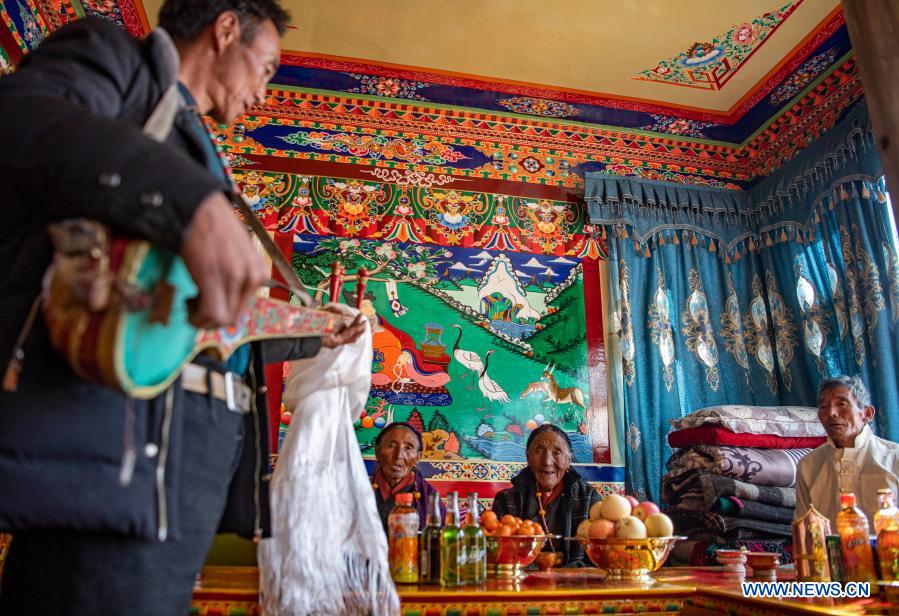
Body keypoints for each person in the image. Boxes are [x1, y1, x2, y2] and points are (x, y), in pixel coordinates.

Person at [0, 2, 364, 614]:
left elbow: (204, 329)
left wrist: (315, 334)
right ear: (225, 29)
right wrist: (190, 200)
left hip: (173, 481)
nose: (264, 95)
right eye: (267, 69)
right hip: (108, 466)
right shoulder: (120, 62)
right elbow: (17, 117)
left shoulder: (194, 143)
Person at [795, 375, 899, 527]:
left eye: (842, 404)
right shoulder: (808, 466)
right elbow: (803, 529)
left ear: (867, 413)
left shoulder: (894, 458)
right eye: (824, 407)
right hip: (828, 552)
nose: (831, 413)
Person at [492, 423, 600, 566]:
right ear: (528, 457)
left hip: (575, 585)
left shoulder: (589, 499)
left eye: (557, 452)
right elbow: (498, 556)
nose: (547, 461)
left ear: (568, 460)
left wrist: (565, 579)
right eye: (538, 451)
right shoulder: (506, 501)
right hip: (523, 584)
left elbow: (598, 559)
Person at [370, 422, 444, 531]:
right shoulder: (360, 490)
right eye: (392, 446)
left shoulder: (429, 497)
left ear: (418, 457)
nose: (398, 456)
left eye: (408, 448)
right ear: (378, 452)